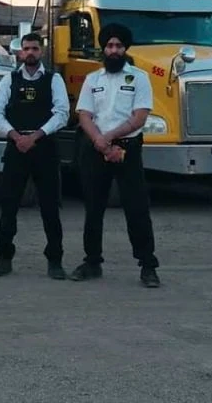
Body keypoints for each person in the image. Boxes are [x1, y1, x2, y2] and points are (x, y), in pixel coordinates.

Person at [71, 22, 161, 288]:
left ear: (125, 49)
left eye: (118, 46)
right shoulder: (92, 79)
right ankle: (92, 262)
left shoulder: (139, 78)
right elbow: (84, 114)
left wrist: (108, 138)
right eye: (109, 46)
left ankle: (148, 266)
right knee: (93, 208)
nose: (113, 50)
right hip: (96, 148)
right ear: (103, 49)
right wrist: (99, 140)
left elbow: (140, 117)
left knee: (137, 208)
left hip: (127, 149)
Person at [0, 32, 70, 279]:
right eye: (26, 49)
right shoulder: (9, 80)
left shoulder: (54, 79)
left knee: (50, 207)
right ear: (20, 52)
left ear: (41, 51)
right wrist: (15, 136)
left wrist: (35, 137)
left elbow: (63, 113)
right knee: (9, 204)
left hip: (44, 147)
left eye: (35, 48)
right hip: (16, 147)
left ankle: (55, 260)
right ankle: (4, 257)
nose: (31, 53)